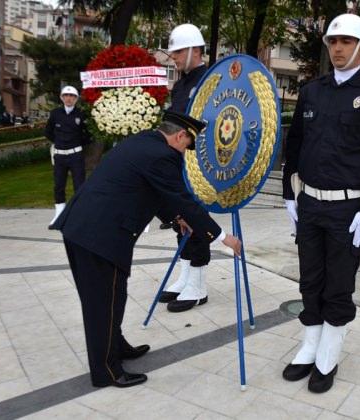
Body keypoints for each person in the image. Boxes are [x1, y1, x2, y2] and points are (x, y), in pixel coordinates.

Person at [51, 110, 242, 388]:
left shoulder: (142, 142)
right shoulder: (163, 156)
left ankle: (116, 346)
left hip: (86, 228)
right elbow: (181, 198)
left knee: (114, 296)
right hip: (99, 236)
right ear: (180, 136)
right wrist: (223, 237)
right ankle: (107, 370)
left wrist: (176, 218)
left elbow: (155, 190)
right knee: (102, 304)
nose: (186, 151)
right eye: (188, 145)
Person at [281, 13, 360, 393]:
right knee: (310, 279)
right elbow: (295, 144)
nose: (337, 48)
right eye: (333, 42)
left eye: (347, 42)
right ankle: (309, 346)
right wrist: (289, 193)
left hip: (349, 209)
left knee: (338, 284)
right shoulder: (314, 91)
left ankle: (328, 354)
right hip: (311, 203)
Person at [156, 23, 213, 313]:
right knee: (180, 219)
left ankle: (198, 285)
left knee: (197, 220)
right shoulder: (180, 84)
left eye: (177, 52)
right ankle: (186, 275)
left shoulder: (211, 80)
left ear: (194, 50)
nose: (174, 58)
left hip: (200, 163)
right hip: (178, 159)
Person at [44, 85, 91, 228]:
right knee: (59, 185)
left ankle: (80, 215)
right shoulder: (55, 113)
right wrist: (59, 143)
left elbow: (87, 136)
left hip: (75, 155)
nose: (69, 98)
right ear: (62, 98)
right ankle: (59, 214)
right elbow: (48, 132)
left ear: (76, 99)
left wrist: (75, 144)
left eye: (72, 96)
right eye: (66, 96)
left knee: (79, 185)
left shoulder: (81, 115)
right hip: (60, 156)